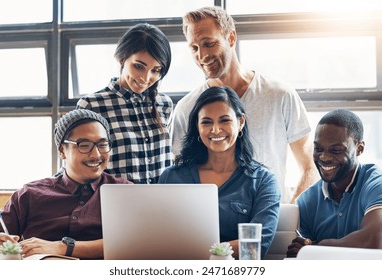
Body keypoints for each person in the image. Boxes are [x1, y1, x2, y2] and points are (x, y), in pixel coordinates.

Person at [171, 6, 318, 203]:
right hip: (212, 227)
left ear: (231, 38)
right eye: (194, 48)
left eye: (209, 43)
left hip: (272, 223)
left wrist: (289, 214)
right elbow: (181, 177)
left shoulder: (280, 95)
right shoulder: (186, 108)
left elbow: (310, 164)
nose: (202, 55)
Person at [158, 86, 281, 259]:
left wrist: (204, 252)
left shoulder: (264, 181)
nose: (215, 130)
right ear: (197, 127)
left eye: (224, 120)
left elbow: (256, 245)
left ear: (241, 122)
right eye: (206, 122)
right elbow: (157, 236)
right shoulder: (171, 177)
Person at [0, 109, 132, 259]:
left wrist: (62, 247)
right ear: (62, 151)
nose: (96, 154)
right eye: (84, 145)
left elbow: (133, 243)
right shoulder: (29, 194)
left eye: (103, 145)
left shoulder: (126, 193)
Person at [77, 23, 173, 184]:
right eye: (138, 66)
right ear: (122, 58)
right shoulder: (91, 106)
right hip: (114, 204)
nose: (145, 78)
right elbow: (79, 167)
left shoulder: (165, 104)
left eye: (156, 70)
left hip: (162, 205)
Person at [286, 109, 382, 258]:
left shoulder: (376, 183)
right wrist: (306, 250)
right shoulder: (307, 201)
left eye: (336, 150)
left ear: (359, 148)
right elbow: (307, 259)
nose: (324, 157)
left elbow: (375, 240)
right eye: (318, 148)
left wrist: (317, 247)